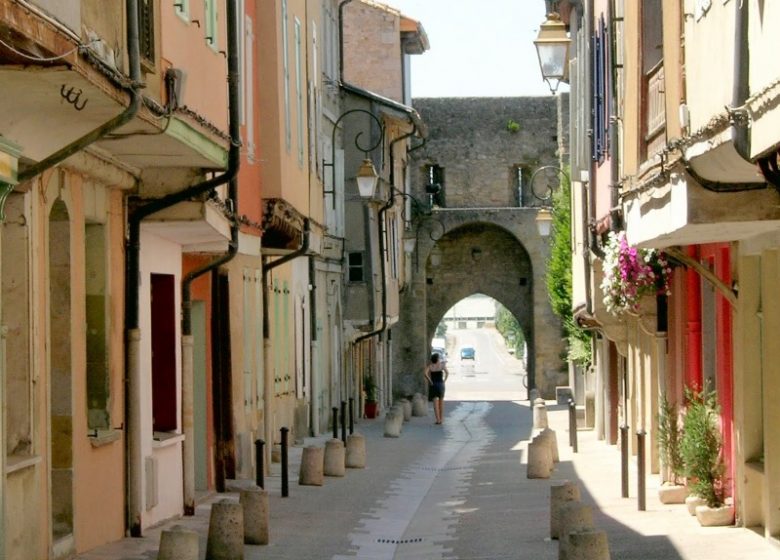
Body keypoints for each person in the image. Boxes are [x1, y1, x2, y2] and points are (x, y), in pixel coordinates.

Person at [424, 352, 449, 425]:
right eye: (439, 358)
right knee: (441, 402)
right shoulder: (442, 365)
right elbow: (447, 373)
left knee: (435, 403)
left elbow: (425, 373)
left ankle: (438, 420)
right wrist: (444, 381)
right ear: (437, 359)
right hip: (441, 385)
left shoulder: (430, 366)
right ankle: (441, 419)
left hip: (433, 385)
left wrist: (430, 381)